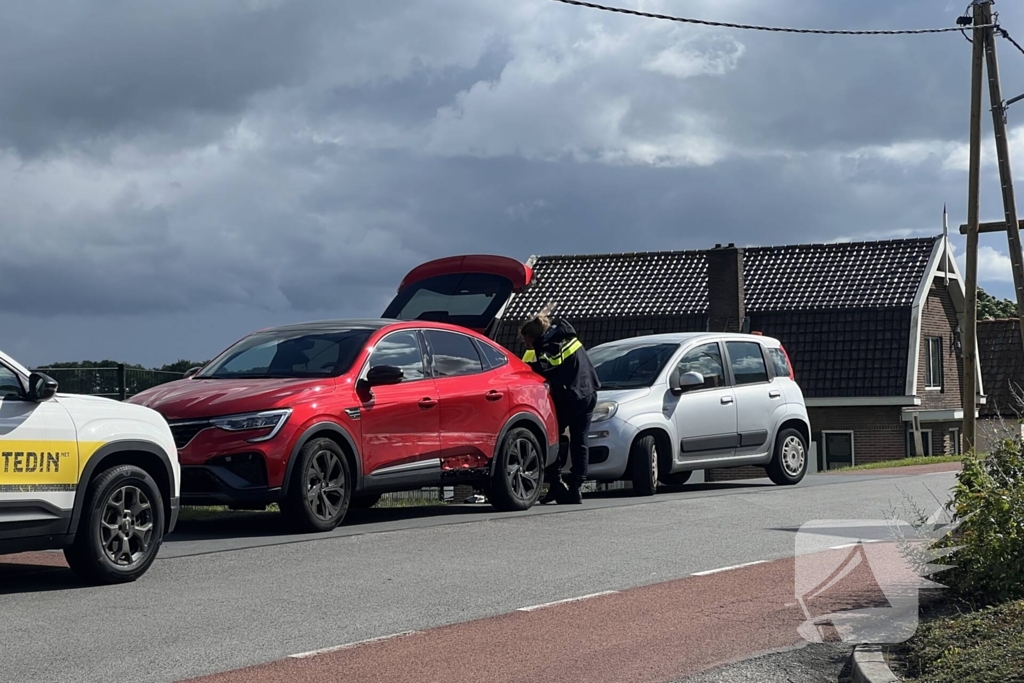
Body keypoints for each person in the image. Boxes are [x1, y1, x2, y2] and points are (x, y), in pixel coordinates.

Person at [520, 311, 600, 505]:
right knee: (580, 441)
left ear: (532, 336)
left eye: (526, 341)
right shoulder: (564, 334)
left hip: (571, 397)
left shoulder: (550, 345)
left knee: (551, 438)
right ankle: (575, 487)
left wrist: (525, 368)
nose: (526, 345)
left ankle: (556, 484)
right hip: (588, 392)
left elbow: (549, 367)